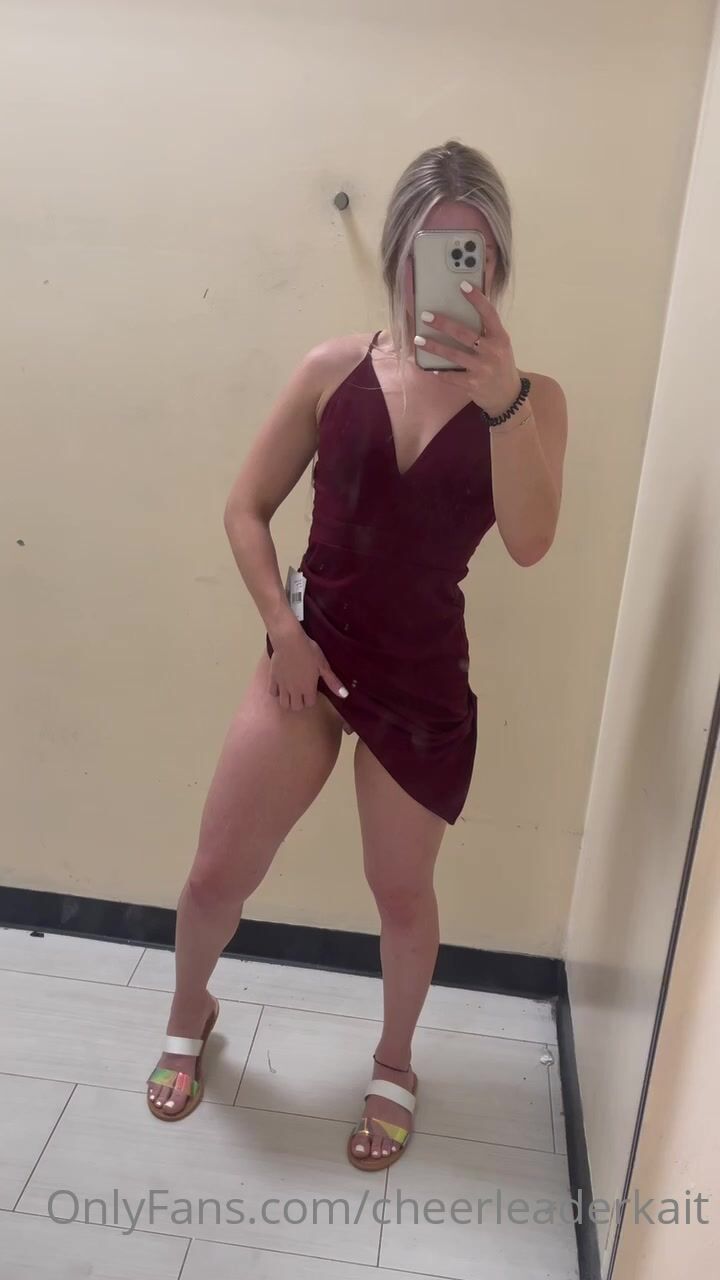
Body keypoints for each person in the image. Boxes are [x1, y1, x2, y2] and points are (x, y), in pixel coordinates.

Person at [146, 140, 567, 1171]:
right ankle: (190, 1009)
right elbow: (245, 509)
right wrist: (282, 631)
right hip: (311, 656)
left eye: (473, 253)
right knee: (214, 875)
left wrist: (504, 402)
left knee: (402, 894)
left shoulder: (534, 400)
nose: (455, 273)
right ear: (396, 255)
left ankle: (394, 1062)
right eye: (433, 250)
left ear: (498, 263)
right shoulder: (332, 369)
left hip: (421, 681)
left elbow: (530, 542)